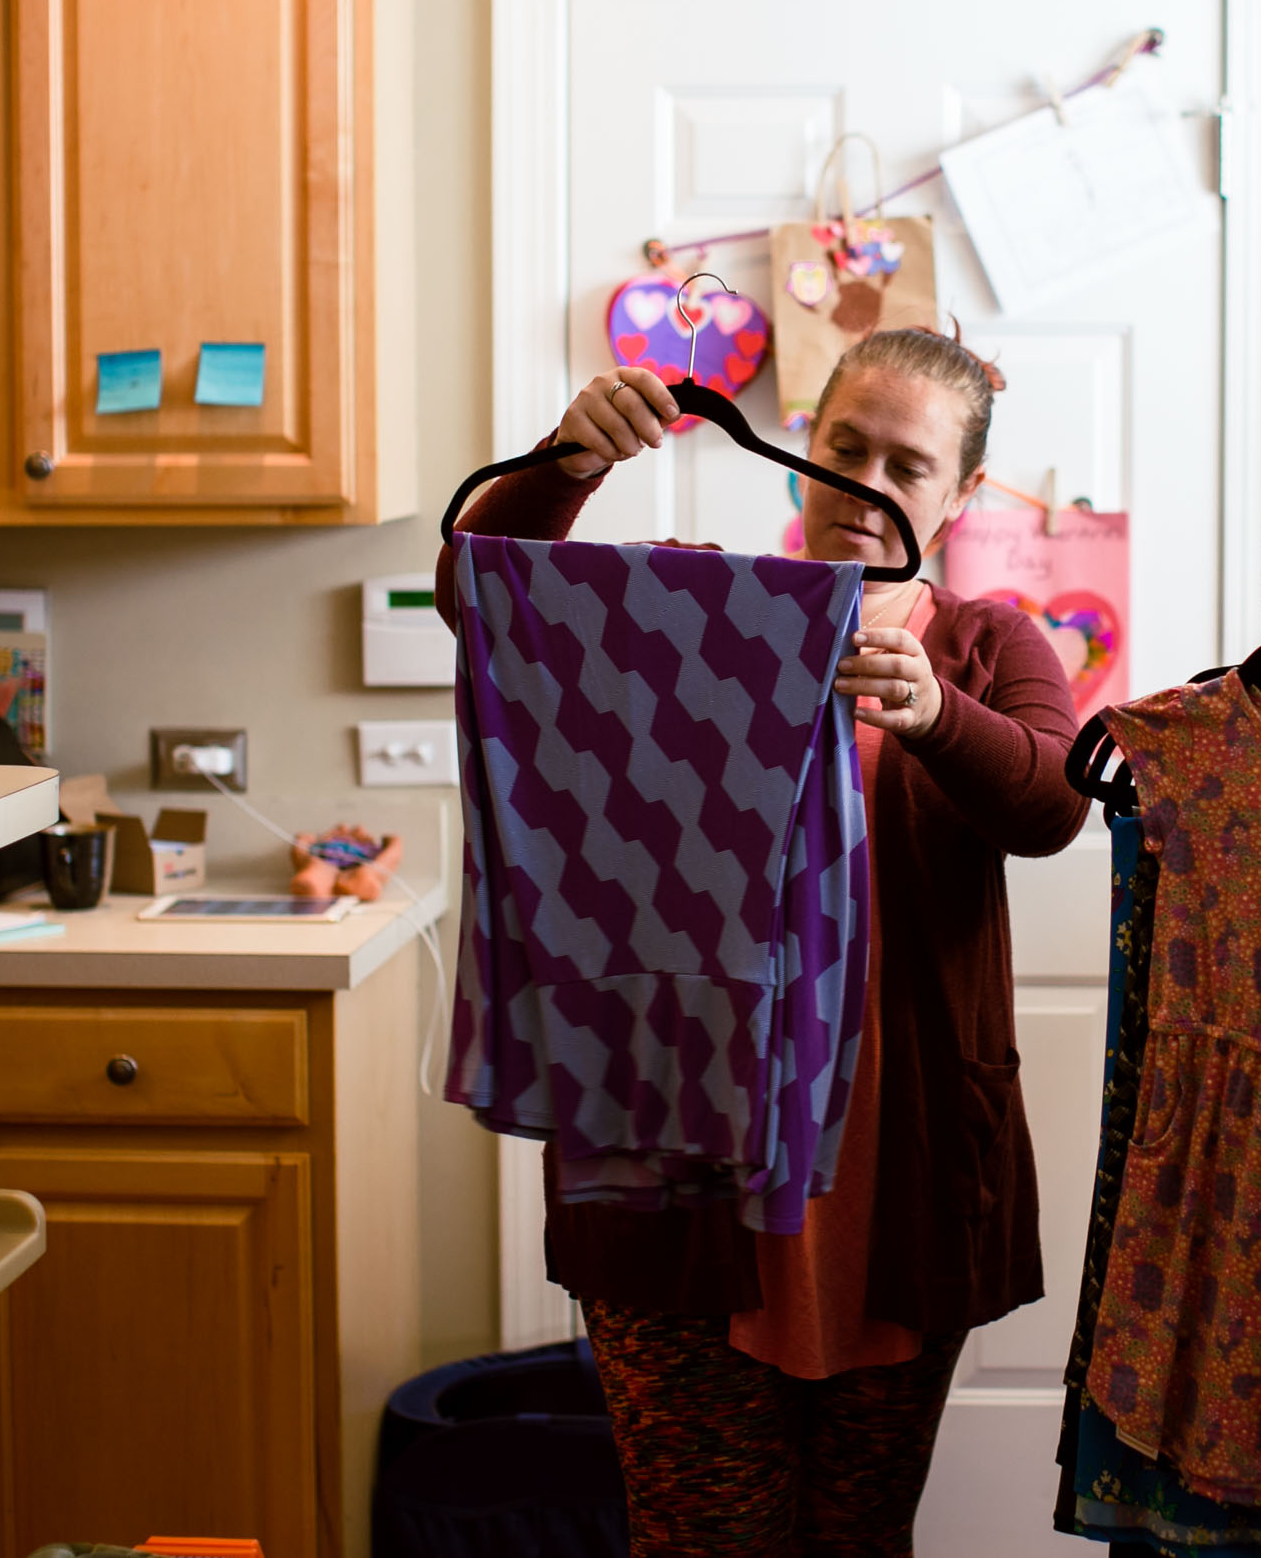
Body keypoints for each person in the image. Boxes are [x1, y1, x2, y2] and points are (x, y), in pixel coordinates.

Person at [435, 327, 1089, 1556]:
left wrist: (938, 714)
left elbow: (1054, 804)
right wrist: (569, 460)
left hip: (897, 1181)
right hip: (681, 1172)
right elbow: (484, 597)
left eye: (908, 466)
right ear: (800, 450)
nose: (869, 486)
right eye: (845, 446)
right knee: (697, 1537)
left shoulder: (989, 646)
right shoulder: (689, 604)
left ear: (955, 498)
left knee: (858, 1537)